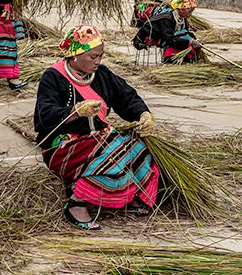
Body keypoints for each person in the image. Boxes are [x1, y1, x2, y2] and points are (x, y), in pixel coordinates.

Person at [34, 25, 158, 230]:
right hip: (63, 147)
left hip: (99, 140)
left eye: (100, 56)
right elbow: (44, 115)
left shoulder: (101, 75)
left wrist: (143, 114)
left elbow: (126, 96)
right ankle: (76, 202)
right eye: (93, 57)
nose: (97, 61)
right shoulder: (53, 76)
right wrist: (75, 111)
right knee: (113, 152)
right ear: (75, 55)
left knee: (139, 148)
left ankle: (126, 195)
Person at [132, 0, 203, 63]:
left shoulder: (181, 18)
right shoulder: (167, 18)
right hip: (147, 38)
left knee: (183, 34)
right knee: (180, 36)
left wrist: (195, 40)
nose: (191, 14)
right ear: (181, 9)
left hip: (162, 37)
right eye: (190, 11)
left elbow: (186, 32)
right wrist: (189, 41)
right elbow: (169, 38)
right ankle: (171, 58)